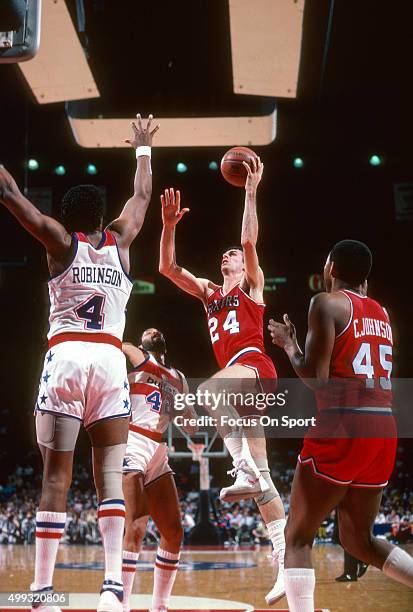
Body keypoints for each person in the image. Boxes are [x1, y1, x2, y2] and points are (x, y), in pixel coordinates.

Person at [0, 113, 159, 612]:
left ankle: (44, 593)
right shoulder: (123, 240)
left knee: (55, 479)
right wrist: (142, 149)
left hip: (67, 356)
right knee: (110, 478)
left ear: (69, 218)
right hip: (112, 360)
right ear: (102, 216)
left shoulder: (60, 243)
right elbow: (141, 199)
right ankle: (113, 590)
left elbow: (9, 194)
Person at [159, 157, 286, 604]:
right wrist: (169, 225)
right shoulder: (210, 293)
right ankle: (286, 562)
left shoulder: (251, 285)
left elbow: (249, 239)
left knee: (209, 391)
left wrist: (250, 191)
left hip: (253, 365)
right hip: (241, 381)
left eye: (231, 254)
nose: (228, 254)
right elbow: (168, 269)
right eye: (226, 255)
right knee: (265, 480)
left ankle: (242, 469)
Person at [268, 239, 413, 612]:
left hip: (343, 424)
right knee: (358, 540)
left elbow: (317, 378)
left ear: (330, 268)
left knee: (297, 536)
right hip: (384, 427)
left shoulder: (327, 303)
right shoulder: (382, 313)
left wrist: (289, 345)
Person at [120, 328, 197, 612]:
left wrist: (186, 412)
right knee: (137, 524)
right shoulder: (137, 358)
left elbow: (192, 425)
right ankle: (121, 604)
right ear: (144, 343)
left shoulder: (179, 378)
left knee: (174, 531)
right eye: (147, 330)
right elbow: (120, 345)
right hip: (133, 439)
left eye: (157, 330)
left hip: (157, 448)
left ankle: (160, 606)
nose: (154, 330)